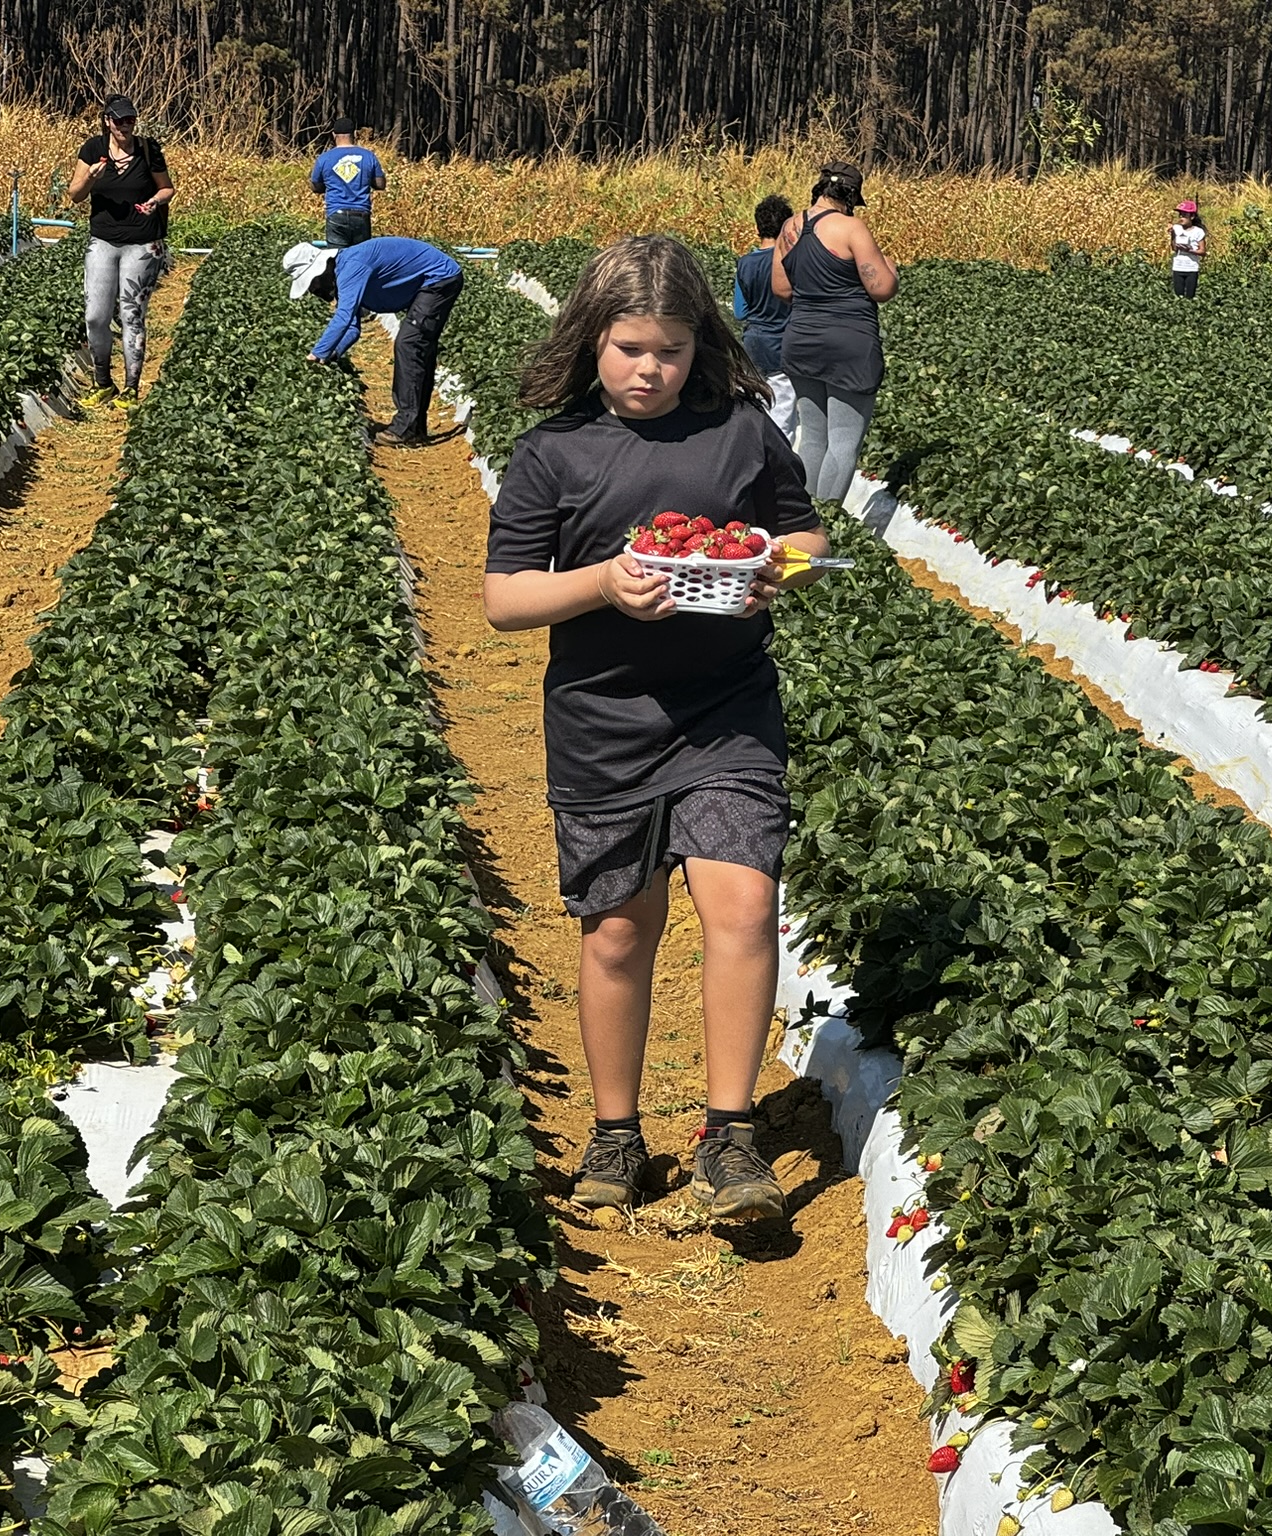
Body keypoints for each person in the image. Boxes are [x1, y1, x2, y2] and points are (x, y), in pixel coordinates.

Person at [483, 235, 833, 1224]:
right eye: (630, 347)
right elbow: (504, 599)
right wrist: (601, 583)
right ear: (591, 341)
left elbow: (804, 533)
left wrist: (773, 562)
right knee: (616, 935)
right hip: (603, 722)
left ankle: (728, 1136)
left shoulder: (739, 432)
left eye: (670, 349)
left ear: (699, 345)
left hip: (727, 711)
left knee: (741, 904)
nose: (650, 369)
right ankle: (614, 1134)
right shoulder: (554, 454)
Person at [770, 161, 898, 501]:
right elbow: (881, 288)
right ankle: (828, 523)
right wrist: (892, 271)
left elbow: (781, 290)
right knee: (843, 441)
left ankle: (805, 520)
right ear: (852, 195)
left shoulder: (790, 227)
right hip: (849, 343)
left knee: (813, 436)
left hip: (801, 340)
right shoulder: (851, 228)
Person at [284, 235, 463, 445]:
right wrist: (333, 354)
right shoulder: (344, 272)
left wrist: (317, 353)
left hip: (438, 280)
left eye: (313, 284)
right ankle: (415, 427)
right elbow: (352, 326)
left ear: (322, 269)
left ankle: (407, 428)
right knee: (417, 347)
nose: (315, 290)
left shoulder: (351, 267)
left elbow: (343, 318)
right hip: (429, 282)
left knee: (410, 344)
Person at [68, 95, 172, 410]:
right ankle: (103, 383)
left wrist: (155, 201)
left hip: (142, 243)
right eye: (119, 120)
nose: (125, 126)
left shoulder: (147, 149)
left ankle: (131, 388)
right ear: (107, 121)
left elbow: (167, 188)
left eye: (130, 120)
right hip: (103, 240)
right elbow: (74, 194)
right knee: (96, 317)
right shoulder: (93, 151)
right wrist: (90, 178)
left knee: (131, 314)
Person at [733, 194, 795, 437]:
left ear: (757, 227)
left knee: (755, 406)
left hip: (752, 344)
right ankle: (778, 466)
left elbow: (740, 312)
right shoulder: (788, 263)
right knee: (783, 414)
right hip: (781, 343)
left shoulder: (744, 263)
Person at [309, 117, 386, 249]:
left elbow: (315, 186)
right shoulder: (368, 156)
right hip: (361, 214)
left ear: (333, 135)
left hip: (335, 214)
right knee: (360, 259)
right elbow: (380, 184)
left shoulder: (324, 158)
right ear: (355, 134)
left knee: (337, 258)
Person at [1169, 200, 1206, 298]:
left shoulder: (1198, 231)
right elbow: (1174, 248)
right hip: (1178, 266)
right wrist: (1172, 234)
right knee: (1178, 295)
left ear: (1192, 217)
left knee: (1190, 296)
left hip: (1191, 268)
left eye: (1184, 215)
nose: (1181, 218)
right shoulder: (1176, 228)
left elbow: (1202, 251)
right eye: (1180, 215)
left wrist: (1190, 250)